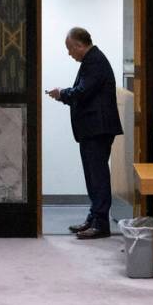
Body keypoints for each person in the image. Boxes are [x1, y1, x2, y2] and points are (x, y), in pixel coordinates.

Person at [47, 27, 123, 239]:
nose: (69, 53)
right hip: (92, 129)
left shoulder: (95, 61)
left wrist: (62, 94)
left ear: (79, 45)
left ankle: (100, 224)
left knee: (97, 177)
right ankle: (94, 218)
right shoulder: (91, 60)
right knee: (93, 176)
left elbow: (82, 92)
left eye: (70, 49)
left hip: (97, 129)